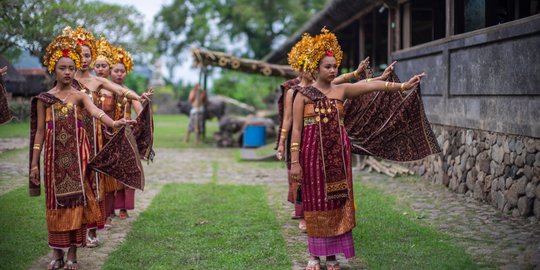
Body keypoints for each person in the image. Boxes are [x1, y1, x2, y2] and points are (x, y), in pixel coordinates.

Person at [289, 28, 427, 270]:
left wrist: (404, 85)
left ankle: (331, 257)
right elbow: (297, 131)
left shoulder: (341, 90)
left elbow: (371, 86)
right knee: (315, 202)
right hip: (311, 156)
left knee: (334, 202)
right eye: (327, 67)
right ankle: (314, 256)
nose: (333, 70)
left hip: (339, 158)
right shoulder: (302, 95)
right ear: (315, 68)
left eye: (335, 66)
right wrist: (295, 162)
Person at [29, 29, 133, 270]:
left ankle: (73, 255)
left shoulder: (78, 97)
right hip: (53, 161)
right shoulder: (45, 99)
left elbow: (97, 112)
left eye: (71, 68)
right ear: (53, 70)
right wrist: (34, 163)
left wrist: (114, 122)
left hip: (77, 158)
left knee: (76, 204)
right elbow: (40, 133)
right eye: (62, 68)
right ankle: (56, 255)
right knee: (54, 205)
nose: (67, 72)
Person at [86, 35, 119, 247]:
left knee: (104, 179)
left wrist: (138, 99)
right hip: (84, 136)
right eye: (95, 64)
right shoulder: (81, 84)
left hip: (107, 134)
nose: (99, 68)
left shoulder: (108, 87)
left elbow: (124, 95)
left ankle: (102, 218)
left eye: (103, 65)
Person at [110, 45, 142, 219]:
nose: (119, 74)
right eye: (116, 70)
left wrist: (138, 123)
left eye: (122, 71)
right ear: (110, 71)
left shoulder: (129, 93)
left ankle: (123, 207)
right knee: (109, 170)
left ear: (126, 73)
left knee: (125, 171)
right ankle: (108, 208)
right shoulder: (103, 90)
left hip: (124, 136)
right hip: (107, 133)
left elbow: (140, 109)